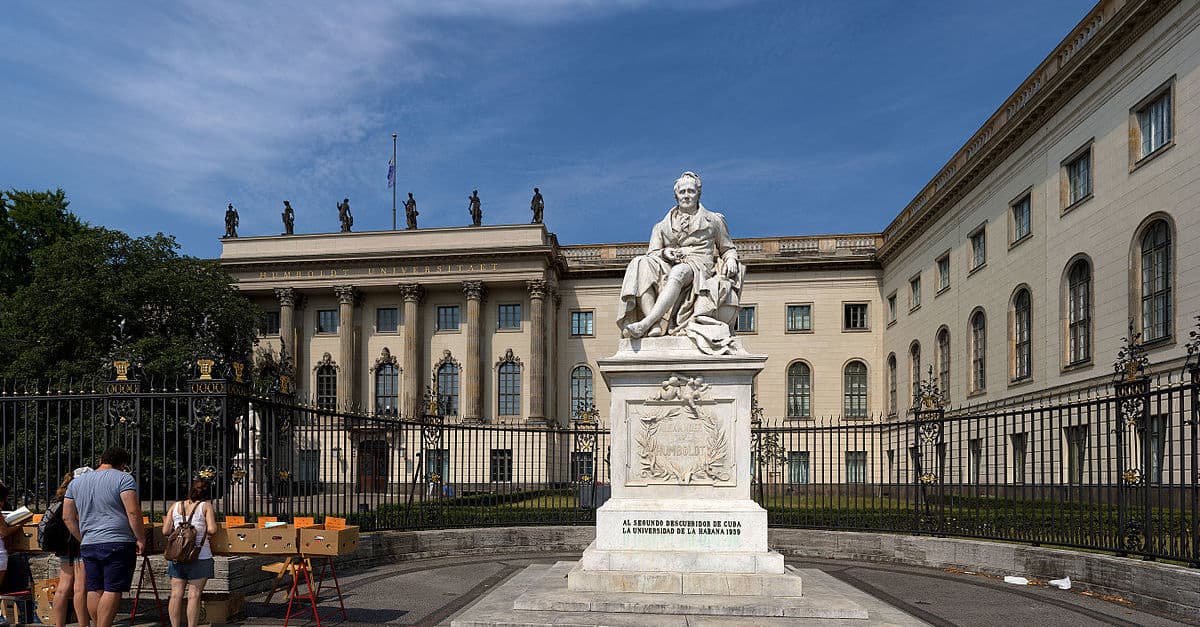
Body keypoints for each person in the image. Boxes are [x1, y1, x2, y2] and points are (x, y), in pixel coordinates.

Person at [616, 171, 745, 354]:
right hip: (669, 263)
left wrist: (731, 259)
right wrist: (664, 252)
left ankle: (647, 322)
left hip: (699, 266)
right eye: (682, 191)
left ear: (698, 194)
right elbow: (652, 253)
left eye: (691, 191)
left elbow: (727, 248)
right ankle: (655, 326)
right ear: (676, 195)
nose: (686, 195)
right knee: (640, 264)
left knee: (679, 272)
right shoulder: (661, 226)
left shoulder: (714, 220)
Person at [63, 447, 146, 627]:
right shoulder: (124, 479)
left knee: (94, 588)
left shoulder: (76, 483)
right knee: (113, 589)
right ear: (123, 465)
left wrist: (82, 537)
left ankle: (97, 624)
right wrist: (140, 538)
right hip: (118, 541)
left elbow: (67, 517)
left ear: (100, 459)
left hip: (89, 543)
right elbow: (132, 511)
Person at [163, 479, 217, 627]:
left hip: (177, 556)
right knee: (194, 595)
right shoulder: (205, 506)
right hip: (200, 555)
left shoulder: (176, 506)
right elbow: (212, 529)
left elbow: (166, 531)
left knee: (175, 594)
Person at [51, 470, 89, 627]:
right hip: (78, 542)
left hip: (63, 544)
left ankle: (58, 624)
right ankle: (83, 624)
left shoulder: (62, 497)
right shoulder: (81, 495)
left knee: (63, 587)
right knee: (80, 588)